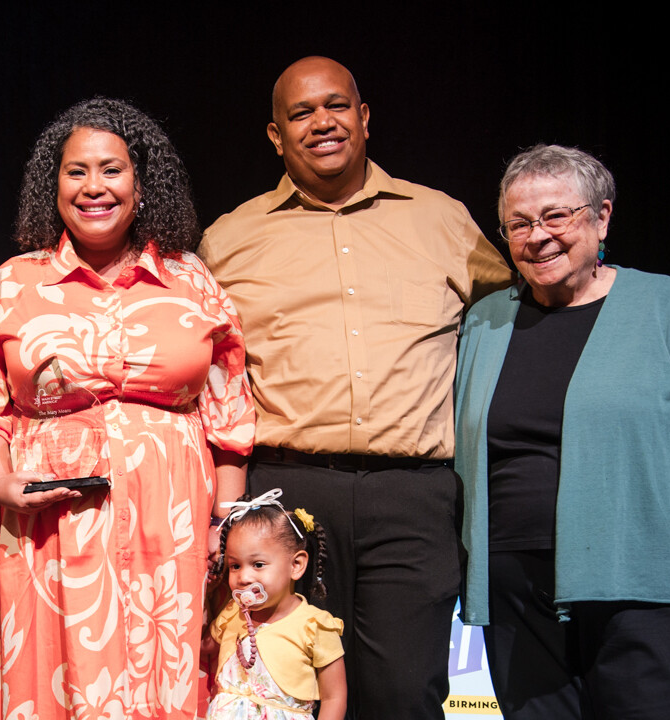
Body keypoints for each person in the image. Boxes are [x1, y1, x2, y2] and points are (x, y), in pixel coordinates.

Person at [198, 56, 512, 718]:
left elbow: (517, 316)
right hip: (287, 495)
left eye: (336, 105)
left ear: (364, 117)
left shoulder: (442, 221)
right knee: (284, 691)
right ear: (276, 136)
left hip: (414, 494)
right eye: (301, 113)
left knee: (404, 691)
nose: (322, 123)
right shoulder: (229, 241)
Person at [0, 97, 256, 719]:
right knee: (50, 676)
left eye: (112, 170)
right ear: (52, 184)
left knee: (167, 673)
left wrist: (227, 516)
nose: (94, 187)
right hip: (44, 526)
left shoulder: (191, 280)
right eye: (76, 171)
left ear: (142, 183)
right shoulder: (15, 282)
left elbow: (230, 410)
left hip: (174, 522)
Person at [454, 144, 670, 719]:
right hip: (516, 590)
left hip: (641, 582)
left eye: (556, 216)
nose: (538, 236)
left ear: (601, 217)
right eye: (519, 223)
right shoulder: (486, 321)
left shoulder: (666, 308)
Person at [207, 489, 346, 720]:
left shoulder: (315, 625)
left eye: (258, 564)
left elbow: (335, 696)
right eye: (235, 566)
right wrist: (207, 596)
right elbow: (203, 646)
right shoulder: (233, 613)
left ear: (296, 565)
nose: (244, 577)